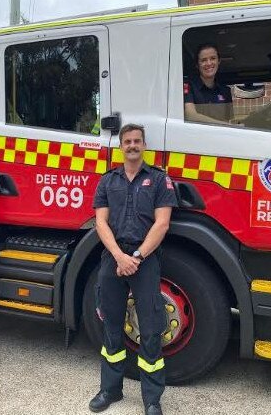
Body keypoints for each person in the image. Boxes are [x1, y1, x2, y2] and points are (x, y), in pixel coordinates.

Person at [89, 124, 177, 415]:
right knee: (112, 325)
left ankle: (152, 399)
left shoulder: (160, 180)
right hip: (113, 258)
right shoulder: (107, 181)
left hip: (145, 258)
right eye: (127, 141)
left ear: (144, 145)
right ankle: (110, 390)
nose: (132, 145)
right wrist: (119, 256)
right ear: (121, 146)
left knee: (150, 329)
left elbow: (162, 223)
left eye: (137, 140)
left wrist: (136, 257)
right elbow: (100, 222)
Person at [184, 43, 234, 124]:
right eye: (204, 60)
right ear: (197, 65)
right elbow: (190, 115)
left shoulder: (226, 91)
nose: (209, 63)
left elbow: (227, 120)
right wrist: (224, 125)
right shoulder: (189, 86)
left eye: (213, 58)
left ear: (219, 61)